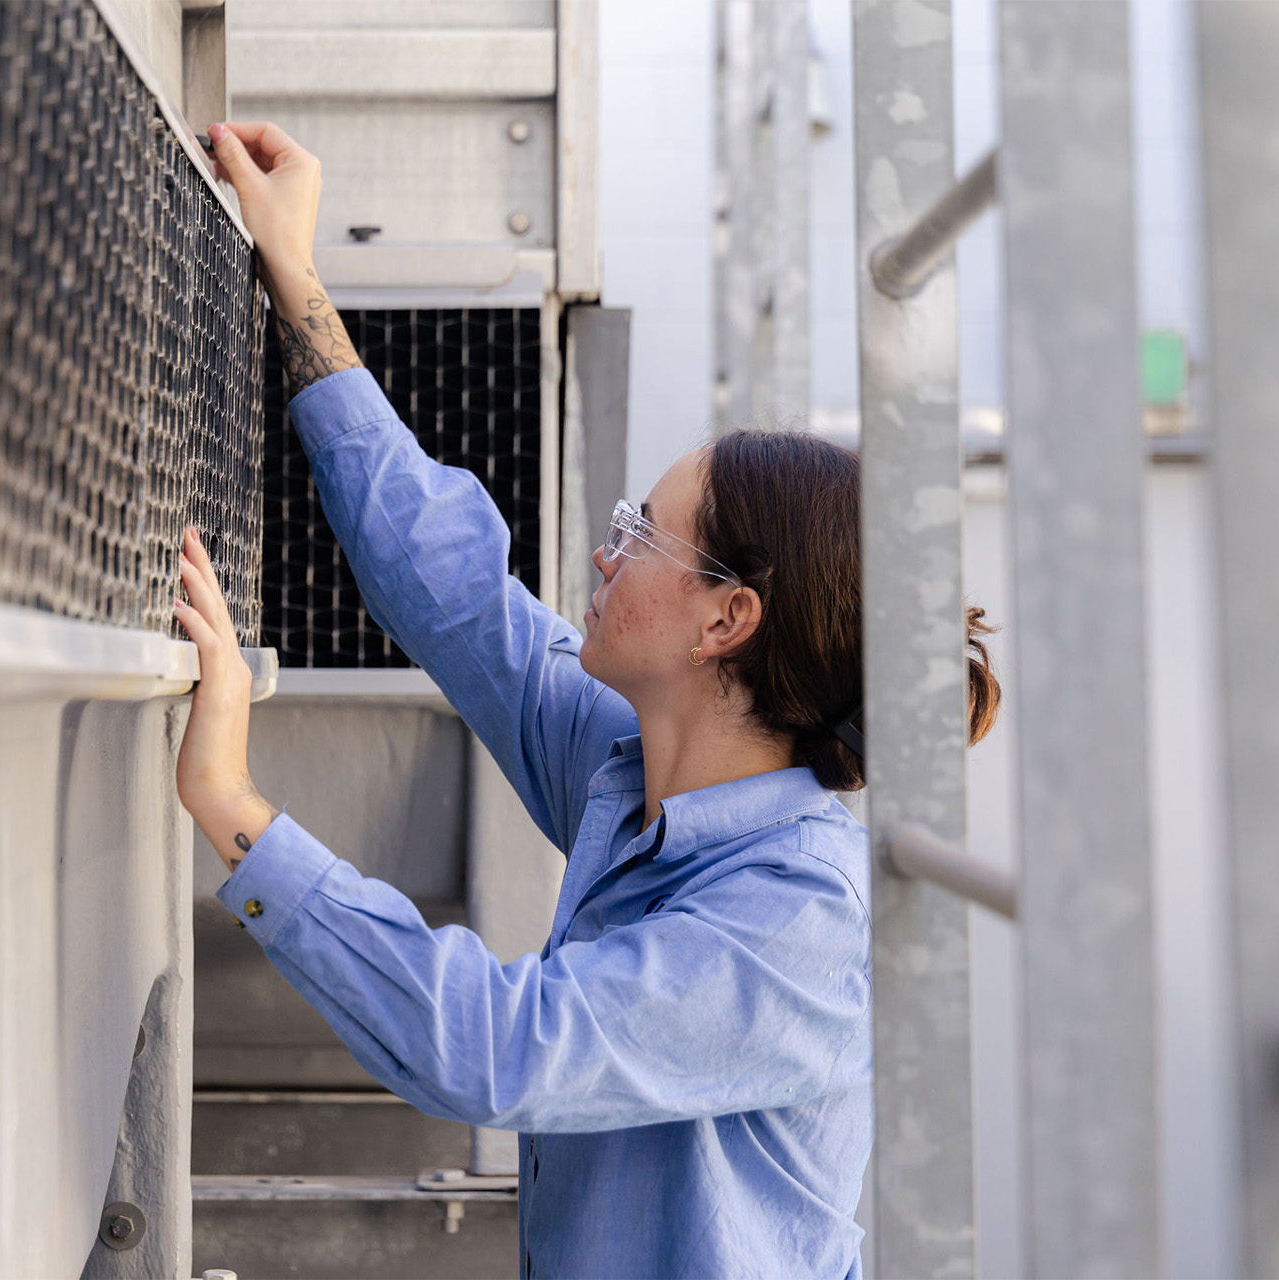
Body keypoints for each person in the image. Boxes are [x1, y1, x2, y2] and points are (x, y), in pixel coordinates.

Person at [170, 120, 1001, 1280]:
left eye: (641, 533)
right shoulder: (638, 761)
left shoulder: (798, 925)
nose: (607, 557)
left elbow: (501, 1050)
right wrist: (296, 274)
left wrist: (233, 804)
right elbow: (454, 592)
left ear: (726, 619)